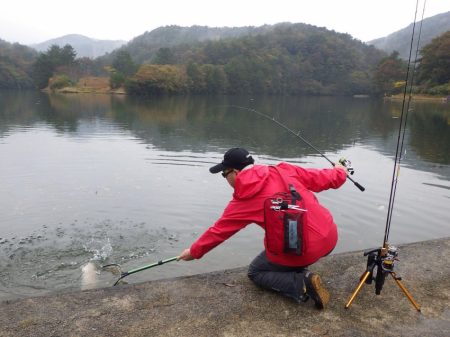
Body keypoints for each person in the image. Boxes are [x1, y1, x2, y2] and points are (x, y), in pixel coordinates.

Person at [178, 147, 348, 309]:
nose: (224, 177)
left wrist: (193, 252)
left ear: (236, 172)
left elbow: (218, 232)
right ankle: (299, 269)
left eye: (224, 173)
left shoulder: (244, 200)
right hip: (331, 238)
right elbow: (325, 178)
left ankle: (302, 282)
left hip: (306, 250)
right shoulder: (282, 169)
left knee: (256, 272)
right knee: (282, 242)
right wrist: (340, 170)